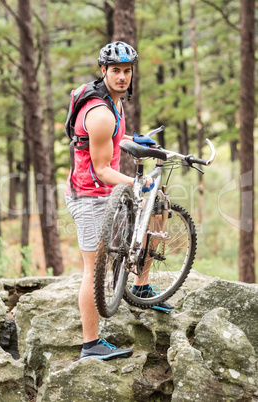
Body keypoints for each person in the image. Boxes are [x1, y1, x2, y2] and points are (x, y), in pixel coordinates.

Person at [65, 41, 173, 361]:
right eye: (116, 71)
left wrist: (134, 141)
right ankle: (90, 346)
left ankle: (140, 286)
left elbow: (114, 139)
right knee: (93, 269)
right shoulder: (100, 113)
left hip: (104, 191)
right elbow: (101, 169)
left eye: (127, 71)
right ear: (104, 71)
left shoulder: (115, 101)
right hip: (88, 195)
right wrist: (136, 182)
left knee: (158, 206)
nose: (123, 77)